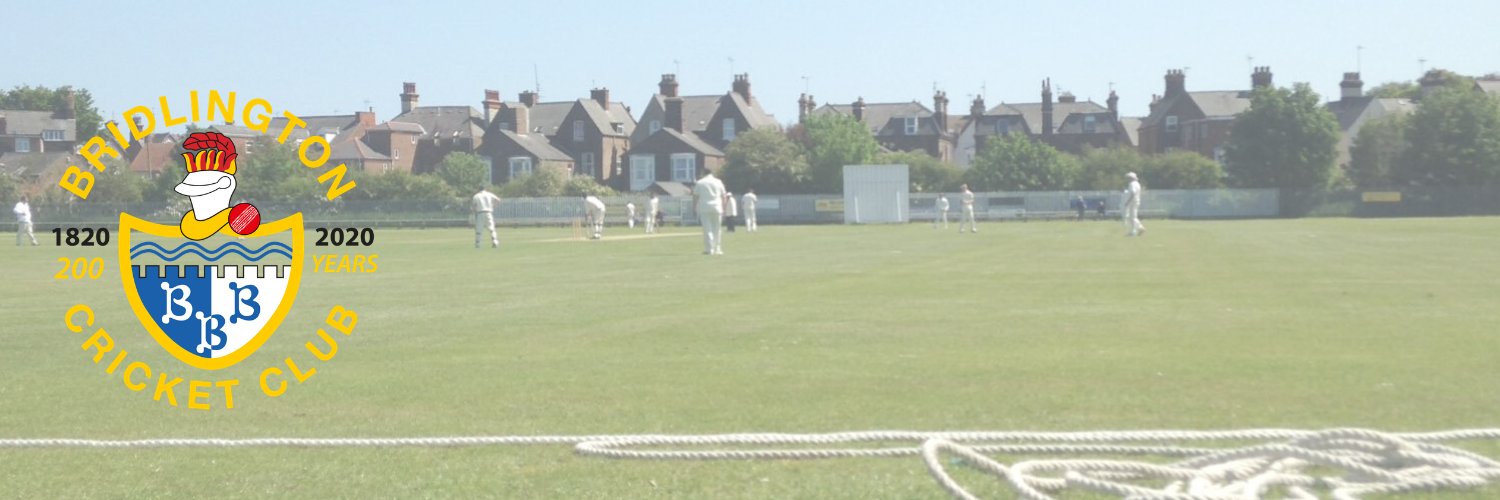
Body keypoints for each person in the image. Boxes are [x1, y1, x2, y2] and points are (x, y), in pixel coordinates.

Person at [692, 171, 726, 255]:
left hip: (705, 207)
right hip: (717, 207)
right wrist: (723, 208)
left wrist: (694, 207)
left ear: (703, 174)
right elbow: (723, 196)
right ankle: (717, 249)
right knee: (717, 229)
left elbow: (695, 196)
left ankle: (710, 249)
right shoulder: (718, 181)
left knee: (707, 229)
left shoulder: (700, 182)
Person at [1123, 172, 1145, 236]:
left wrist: (1128, 201)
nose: (1127, 179)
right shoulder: (1137, 184)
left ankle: (1134, 231)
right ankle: (1140, 228)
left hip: (1132, 202)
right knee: (1133, 217)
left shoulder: (1132, 184)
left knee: (1132, 217)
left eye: (1128, 178)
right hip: (1136, 201)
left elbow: (1133, 193)